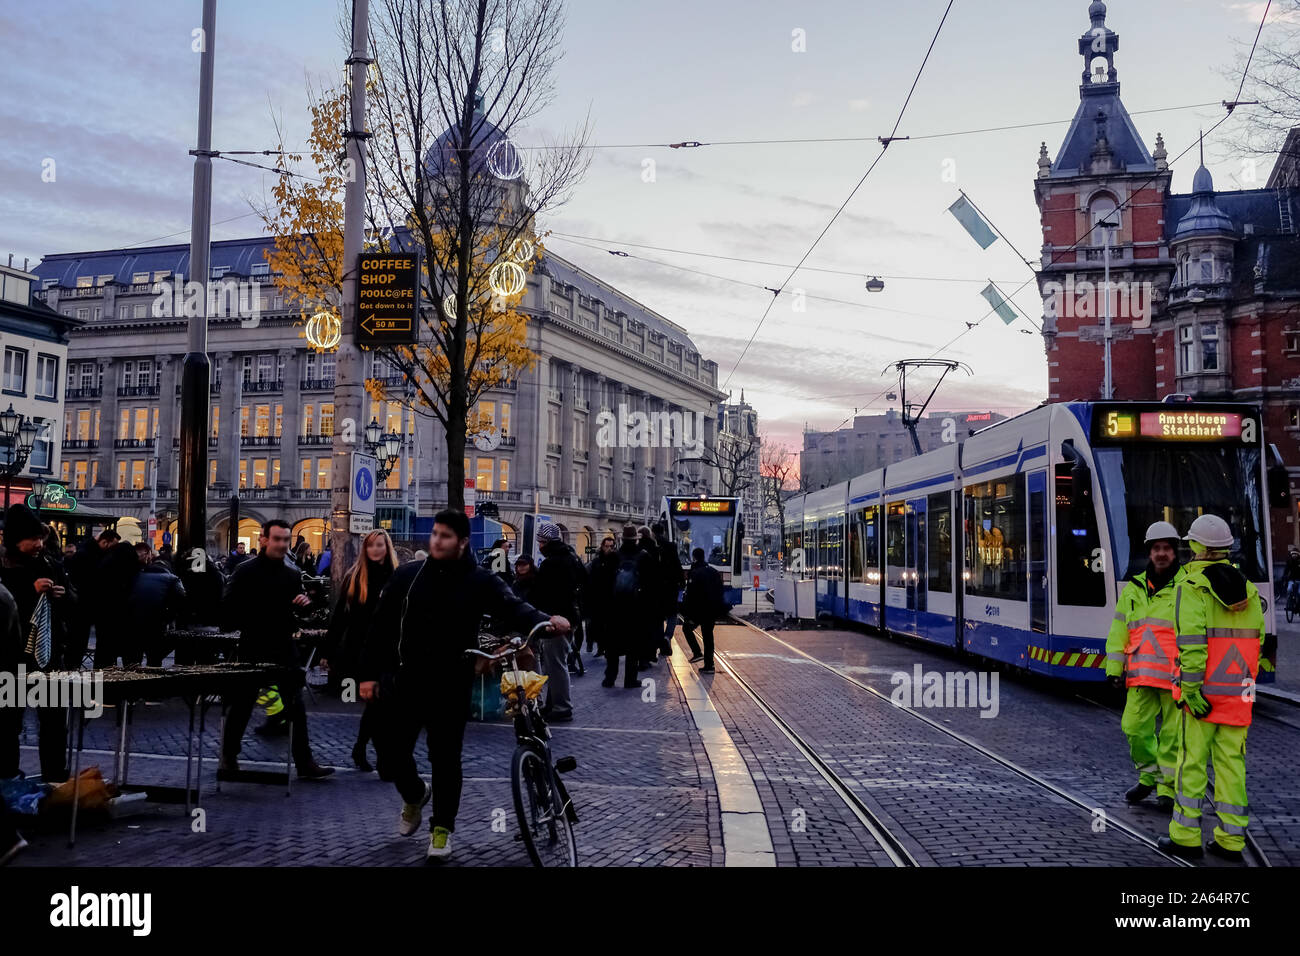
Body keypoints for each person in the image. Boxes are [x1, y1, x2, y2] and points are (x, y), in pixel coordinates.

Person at [359, 509, 570, 862]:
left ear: (462, 542)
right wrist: (367, 674)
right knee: (391, 754)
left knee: (445, 759)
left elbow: (513, 607)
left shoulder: (479, 580)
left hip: (452, 682)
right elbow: (379, 628)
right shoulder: (407, 577)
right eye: (435, 534)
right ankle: (414, 794)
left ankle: (442, 829)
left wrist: (547, 621)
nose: (437, 540)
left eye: (445, 536)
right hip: (406, 678)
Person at [1157, 514, 1266, 862]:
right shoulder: (1247, 589)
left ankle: (1186, 837)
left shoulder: (1191, 588)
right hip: (1239, 694)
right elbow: (1257, 644)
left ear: (1196, 547)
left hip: (1203, 695)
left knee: (1191, 764)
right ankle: (1231, 841)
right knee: (1233, 766)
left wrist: (1190, 691)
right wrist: (1245, 687)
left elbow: (1192, 645)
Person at [218, 519, 334, 780]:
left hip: (283, 646)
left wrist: (304, 605)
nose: (282, 544)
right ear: (264, 540)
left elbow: (296, 610)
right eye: (278, 539)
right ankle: (228, 756)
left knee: (296, 706)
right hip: (253, 645)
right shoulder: (245, 571)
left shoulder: (292, 573)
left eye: (286, 540)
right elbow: (227, 610)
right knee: (243, 704)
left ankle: (304, 762)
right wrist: (255, 615)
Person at [1104, 521, 1185, 810]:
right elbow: (1118, 631)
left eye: (1166, 548)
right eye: (1156, 548)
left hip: (1176, 677)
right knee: (1134, 728)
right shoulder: (1134, 588)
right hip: (1140, 675)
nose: (1161, 554)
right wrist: (1114, 669)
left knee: (1173, 737)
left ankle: (1166, 788)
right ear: (1149, 553)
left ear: (1175, 553)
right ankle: (1149, 777)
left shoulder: (1187, 587)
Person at [0, 505, 76, 782]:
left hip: (49, 658)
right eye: (33, 539)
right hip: (12, 661)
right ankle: (7, 779)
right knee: (8, 723)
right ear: (15, 540)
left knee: (54, 722)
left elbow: (74, 608)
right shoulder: (4, 569)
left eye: (41, 538)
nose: (39, 544)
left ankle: (54, 778)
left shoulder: (50, 564)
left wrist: (64, 595)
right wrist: (29, 592)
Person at [321, 529, 398, 773]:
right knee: (377, 703)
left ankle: (363, 748)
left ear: (387, 548)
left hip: (390, 649)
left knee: (380, 705)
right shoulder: (355, 577)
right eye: (371, 545)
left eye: (380, 545)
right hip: (362, 651)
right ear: (365, 549)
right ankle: (383, 757)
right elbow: (339, 620)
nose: (375, 549)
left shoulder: (397, 577)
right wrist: (328, 652)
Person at [529, 522, 586, 721]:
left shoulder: (551, 563)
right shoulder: (571, 557)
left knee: (555, 663)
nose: (539, 545)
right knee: (555, 661)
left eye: (540, 542)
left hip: (556, 618)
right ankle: (554, 704)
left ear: (545, 542)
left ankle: (562, 707)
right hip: (571, 615)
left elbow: (542, 593)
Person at [595, 525, 656, 689]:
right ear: (636, 539)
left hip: (614, 609)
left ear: (621, 539)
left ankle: (610, 678)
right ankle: (630, 679)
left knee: (612, 646)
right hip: (636, 609)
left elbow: (604, 584)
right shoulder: (644, 557)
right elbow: (651, 585)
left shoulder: (613, 557)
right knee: (633, 646)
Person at [130, 544, 187, 667]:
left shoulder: (137, 576)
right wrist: (168, 616)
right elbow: (181, 600)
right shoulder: (172, 578)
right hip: (156, 623)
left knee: (134, 659)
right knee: (154, 658)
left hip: (134, 622)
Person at [94, 542, 146, 666]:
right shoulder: (133, 569)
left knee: (105, 654)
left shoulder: (105, 565)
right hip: (129, 619)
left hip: (106, 618)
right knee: (131, 658)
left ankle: (104, 679)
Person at [681, 548, 725, 673]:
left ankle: (697, 652)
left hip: (698, 610)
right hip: (711, 610)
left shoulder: (695, 573)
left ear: (694, 557)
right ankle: (709, 665)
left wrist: (687, 612)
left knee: (687, 628)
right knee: (708, 636)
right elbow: (720, 591)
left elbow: (691, 595)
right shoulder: (713, 571)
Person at [653, 522, 685, 661]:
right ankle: (667, 636)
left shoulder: (652, 547)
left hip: (657, 588)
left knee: (658, 616)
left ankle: (660, 640)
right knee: (672, 615)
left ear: (653, 532)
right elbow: (677, 565)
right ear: (664, 532)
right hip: (671, 587)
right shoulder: (671, 546)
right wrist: (681, 583)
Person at [584, 536, 617, 656]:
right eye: (606, 546)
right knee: (597, 624)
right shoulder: (596, 561)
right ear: (602, 546)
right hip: (597, 597)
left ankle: (605, 648)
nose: (608, 549)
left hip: (611, 597)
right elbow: (588, 575)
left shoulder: (616, 560)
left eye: (611, 546)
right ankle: (599, 647)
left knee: (608, 625)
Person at [636, 526, 662, 668]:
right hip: (652, 595)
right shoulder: (655, 550)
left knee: (639, 628)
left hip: (636, 595)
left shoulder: (635, 551)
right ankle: (650, 655)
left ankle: (640, 658)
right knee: (651, 626)